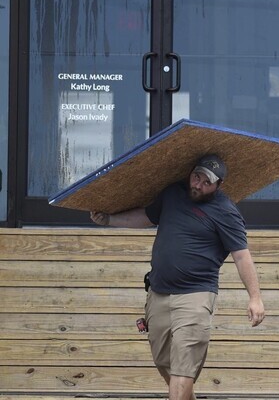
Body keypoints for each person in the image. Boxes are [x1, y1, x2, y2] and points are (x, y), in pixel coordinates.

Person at [90, 154, 264, 400]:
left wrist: (255, 297)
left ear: (218, 185)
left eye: (206, 182)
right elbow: (148, 216)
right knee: (166, 364)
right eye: (196, 177)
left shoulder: (225, 211)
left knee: (183, 368)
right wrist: (109, 220)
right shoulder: (172, 193)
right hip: (158, 293)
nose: (198, 185)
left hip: (195, 297)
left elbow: (241, 256)